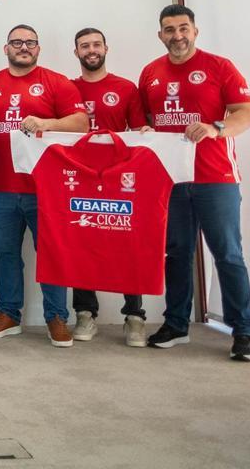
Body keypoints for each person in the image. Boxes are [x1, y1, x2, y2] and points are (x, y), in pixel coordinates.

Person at [139, 4, 250, 361]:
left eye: (183, 28)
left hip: (215, 178)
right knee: (176, 253)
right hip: (171, 180)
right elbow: (148, 119)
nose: (177, 36)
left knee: (228, 255)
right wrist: (146, 131)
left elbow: (246, 115)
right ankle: (176, 324)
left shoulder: (220, 67)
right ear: (160, 34)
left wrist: (215, 128)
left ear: (195, 30)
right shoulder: (150, 73)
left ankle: (244, 331)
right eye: (170, 30)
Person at [0, 24, 88, 347]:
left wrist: (47, 124)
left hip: (46, 189)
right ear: (6, 48)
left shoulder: (57, 83)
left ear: (38, 49)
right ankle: (9, 314)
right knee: (5, 253)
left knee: (51, 254)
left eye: (29, 43)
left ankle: (56, 317)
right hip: (0, 187)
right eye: (16, 42)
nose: (23, 47)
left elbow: (82, 123)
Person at [70, 27, 150, 347]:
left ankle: (134, 317)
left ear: (106, 48)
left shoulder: (125, 88)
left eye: (96, 45)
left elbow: (141, 130)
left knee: (127, 246)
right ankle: (85, 314)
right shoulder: (66, 88)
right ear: (75, 52)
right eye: (84, 46)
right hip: (80, 178)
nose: (91, 50)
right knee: (81, 244)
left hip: (120, 179)